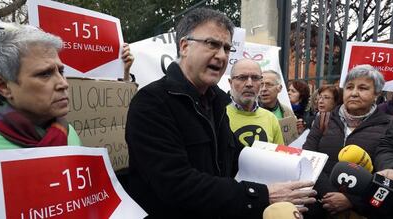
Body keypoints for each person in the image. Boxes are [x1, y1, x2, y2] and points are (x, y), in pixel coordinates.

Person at [123, 8, 316, 219]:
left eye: (226, 47)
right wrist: (261, 195)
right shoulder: (152, 102)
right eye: (212, 44)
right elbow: (175, 184)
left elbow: (237, 158)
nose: (222, 55)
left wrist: (297, 166)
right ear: (185, 46)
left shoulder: (216, 102)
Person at [302, 64, 391, 219]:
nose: (354, 93)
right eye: (349, 87)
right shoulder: (324, 119)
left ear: (376, 93)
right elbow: (308, 158)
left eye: (363, 88)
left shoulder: (389, 126)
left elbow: (387, 178)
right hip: (319, 204)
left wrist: (352, 201)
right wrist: (330, 195)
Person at [0, 22, 81, 149]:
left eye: (61, 71)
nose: (63, 84)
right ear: (3, 86)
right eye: (45, 74)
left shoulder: (68, 133)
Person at [227, 59, 284, 146]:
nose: (249, 84)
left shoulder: (271, 119)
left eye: (255, 78)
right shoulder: (218, 116)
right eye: (242, 77)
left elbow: (279, 157)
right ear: (231, 83)